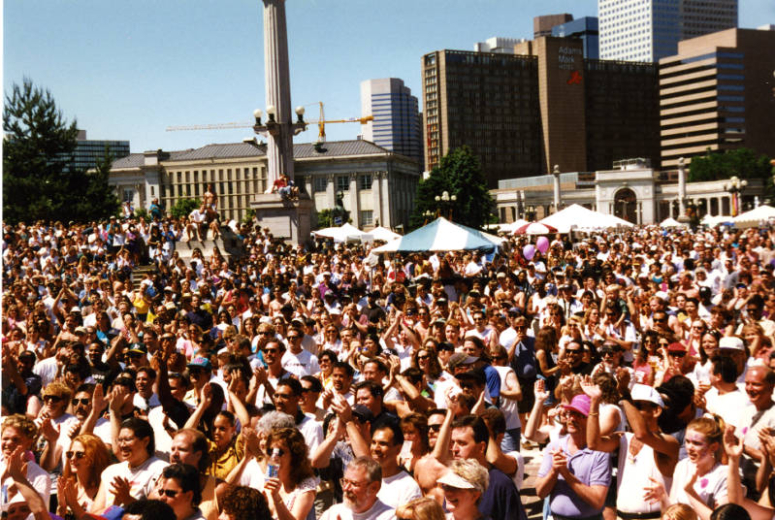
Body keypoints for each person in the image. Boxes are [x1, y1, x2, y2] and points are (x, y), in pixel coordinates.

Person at [536, 393, 612, 520]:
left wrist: (566, 474)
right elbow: (540, 493)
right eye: (570, 413)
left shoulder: (600, 453)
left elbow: (597, 501)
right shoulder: (554, 447)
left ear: (591, 420)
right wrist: (554, 471)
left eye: (579, 415)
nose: (572, 419)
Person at [92, 417, 168, 511]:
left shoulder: (161, 470)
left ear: (145, 441)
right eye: (120, 440)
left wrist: (127, 499)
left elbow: (159, 514)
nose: (122, 445)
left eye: (128, 439)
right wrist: (114, 506)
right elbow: (94, 513)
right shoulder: (111, 472)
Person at [263, 427, 317, 520]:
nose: (274, 457)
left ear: (295, 456)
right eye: (271, 451)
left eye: (280, 452)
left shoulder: (304, 487)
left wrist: (276, 497)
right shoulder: (267, 479)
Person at [320, 456, 394, 520]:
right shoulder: (333, 513)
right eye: (345, 481)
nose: (346, 488)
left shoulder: (389, 517)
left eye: (354, 484)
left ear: (374, 487)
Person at [56, 433, 111, 518]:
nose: (72, 458)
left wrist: (74, 504)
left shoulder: (102, 492)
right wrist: (61, 506)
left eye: (79, 455)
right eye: (70, 454)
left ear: (93, 457)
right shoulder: (69, 489)